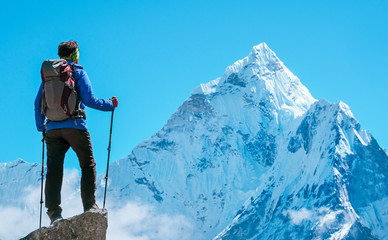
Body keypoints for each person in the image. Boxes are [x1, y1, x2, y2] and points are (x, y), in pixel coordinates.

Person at [34, 40, 118, 224]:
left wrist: (42, 127)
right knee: (87, 165)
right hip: (75, 126)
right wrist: (110, 105)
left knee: (54, 171)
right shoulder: (78, 72)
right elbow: (89, 100)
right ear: (74, 54)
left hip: (53, 129)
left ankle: (54, 213)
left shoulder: (49, 76)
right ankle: (89, 206)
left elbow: (37, 102)